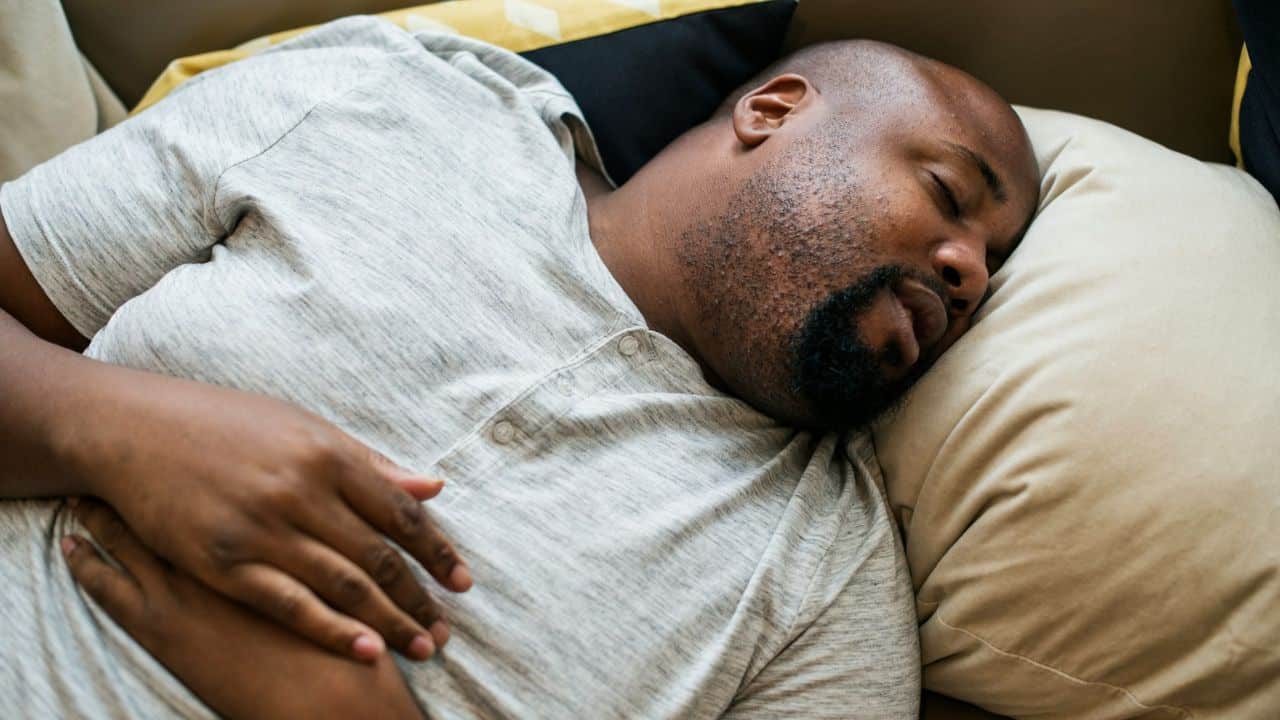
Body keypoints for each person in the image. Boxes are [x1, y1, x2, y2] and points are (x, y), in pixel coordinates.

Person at [0, 16, 1037, 719]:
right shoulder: (387, 105)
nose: (963, 274)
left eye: (985, 270)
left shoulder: (824, 589)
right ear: (771, 112)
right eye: (948, 193)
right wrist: (109, 428)